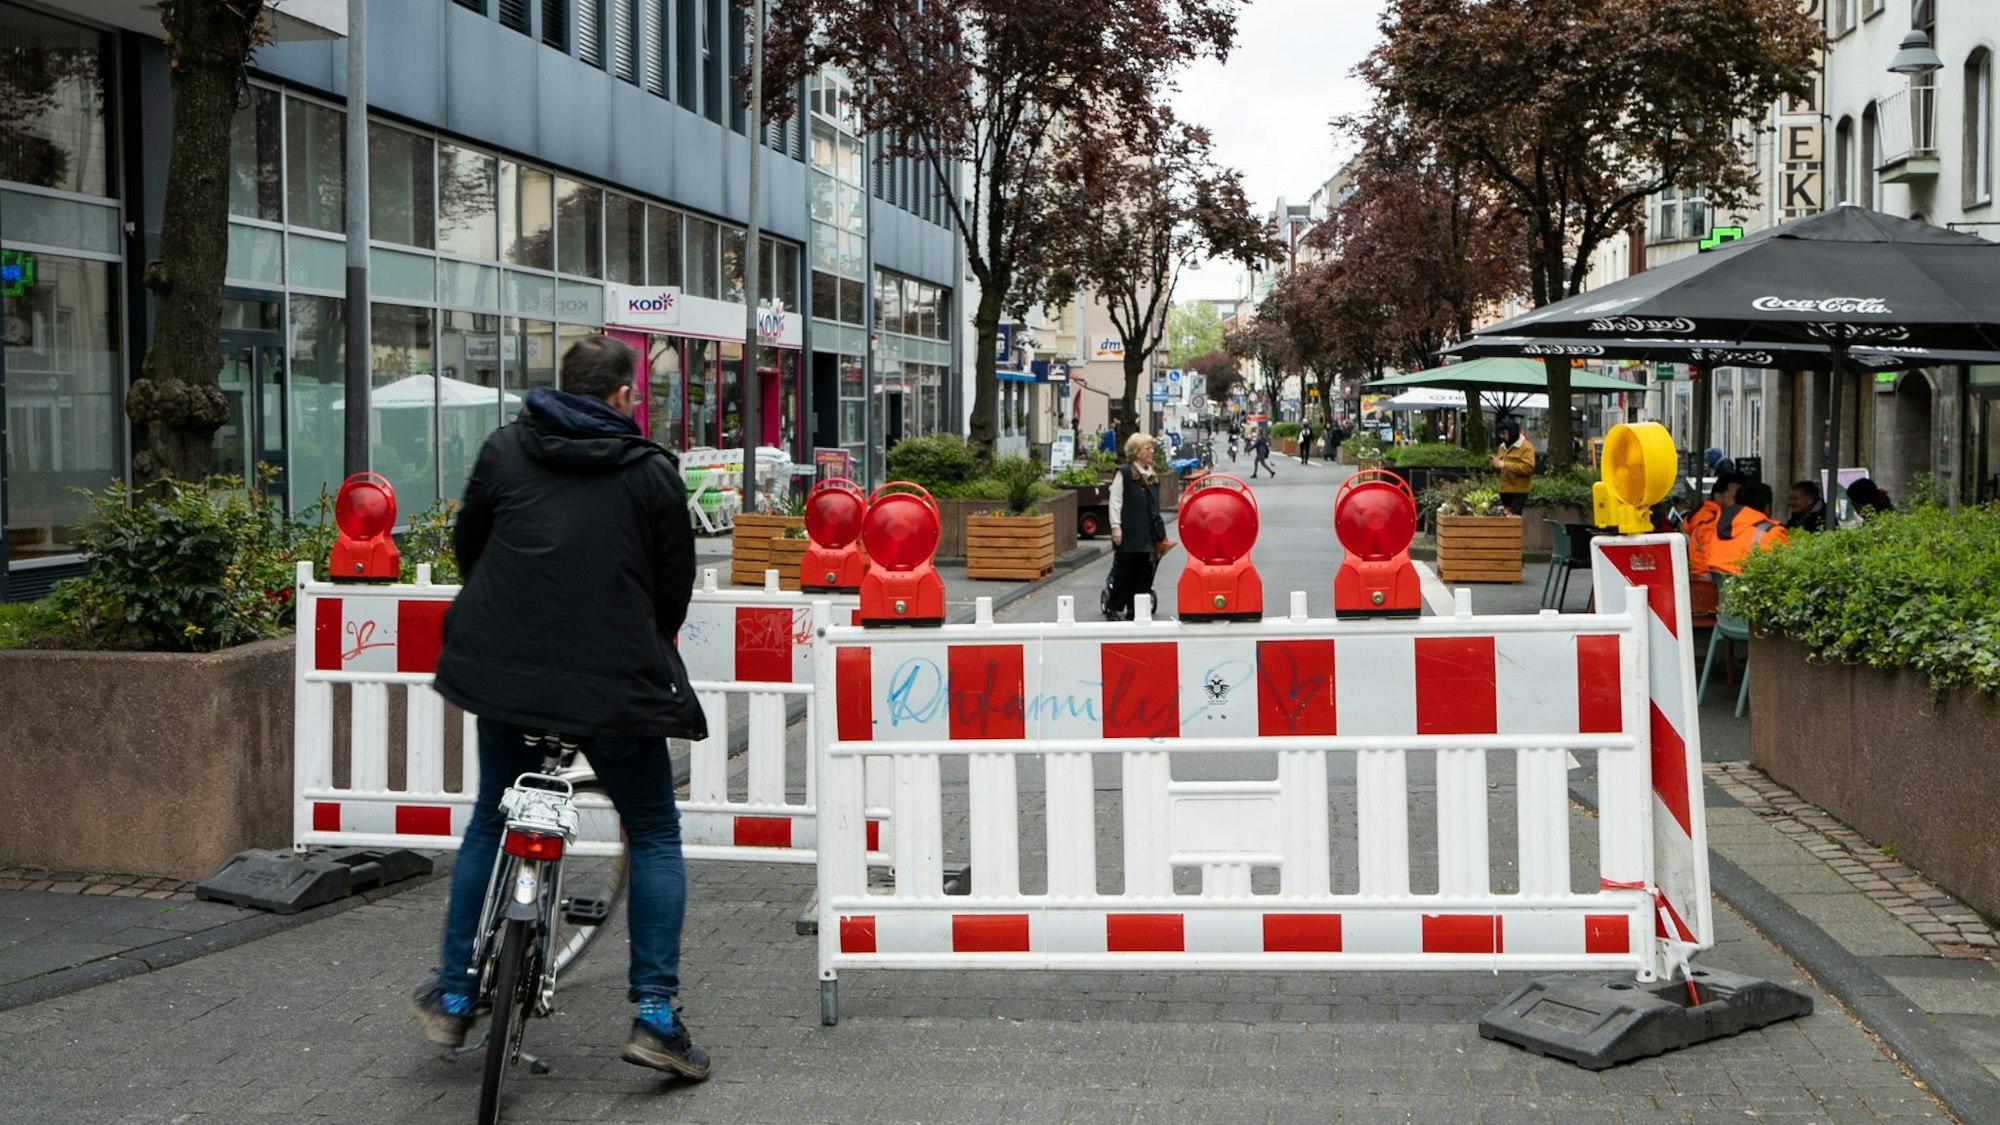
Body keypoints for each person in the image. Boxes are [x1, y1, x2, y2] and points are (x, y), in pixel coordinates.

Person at [412, 335, 713, 1080]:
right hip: (612, 681)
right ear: (618, 397)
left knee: (493, 812)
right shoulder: (650, 474)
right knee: (649, 826)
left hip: (505, 671)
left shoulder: (507, 449)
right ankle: (655, 1017)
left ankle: (454, 994)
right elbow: (673, 586)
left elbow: (469, 546)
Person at [1106, 432, 1167, 620]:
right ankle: (1114, 607)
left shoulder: (1152, 474)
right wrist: (1116, 527)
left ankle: (1136, 608)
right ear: (1136, 452)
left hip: (1149, 531)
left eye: (1151, 448)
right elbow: (1115, 500)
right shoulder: (1124, 473)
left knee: (1145, 571)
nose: (1151, 451)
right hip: (1130, 530)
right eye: (1147, 448)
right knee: (1125, 570)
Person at [1707, 480, 1790, 577]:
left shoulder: (1715, 527)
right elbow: (1786, 570)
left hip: (1720, 590)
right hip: (1754, 590)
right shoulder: (1772, 532)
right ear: (1767, 506)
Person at [1686, 470, 1746, 577]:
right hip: (1711, 583)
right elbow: (1714, 564)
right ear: (1718, 497)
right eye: (1734, 498)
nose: (1740, 502)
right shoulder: (1712, 523)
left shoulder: (1706, 515)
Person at [1488, 419, 1535, 515]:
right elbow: (1500, 466)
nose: (1503, 437)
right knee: (1504, 518)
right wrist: (1494, 464)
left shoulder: (1526, 447)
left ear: (1512, 432)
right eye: (1501, 434)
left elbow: (1528, 467)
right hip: (1504, 490)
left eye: (1505, 433)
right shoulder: (1503, 446)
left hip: (1518, 491)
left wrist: (1505, 465)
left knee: (1513, 518)